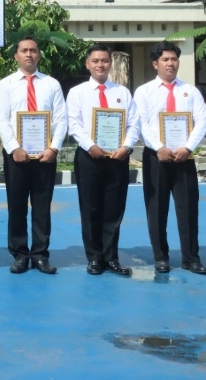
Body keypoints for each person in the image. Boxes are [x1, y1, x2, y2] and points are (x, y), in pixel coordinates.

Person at [133, 41, 206, 275]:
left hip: (183, 158)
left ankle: (190, 257)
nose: (170, 63)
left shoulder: (191, 91)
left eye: (174, 59)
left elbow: (202, 121)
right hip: (156, 157)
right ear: (155, 64)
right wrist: (159, 147)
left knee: (188, 209)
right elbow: (141, 123)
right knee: (157, 209)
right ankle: (161, 257)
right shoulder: (144, 91)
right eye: (165, 59)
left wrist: (188, 147)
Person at [0, 36, 68, 275]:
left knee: (42, 206)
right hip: (16, 155)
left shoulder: (52, 84)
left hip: (45, 155)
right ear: (16, 56)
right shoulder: (6, 84)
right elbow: (2, 120)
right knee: (16, 206)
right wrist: (14, 147)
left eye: (33, 50)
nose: (29, 54)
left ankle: (39, 255)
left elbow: (60, 119)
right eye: (24, 50)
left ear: (39, 55)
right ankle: (19, 254)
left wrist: (54, 148)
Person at [65, 44, 139, 277]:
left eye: (105, 61)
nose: (100, 65)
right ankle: (95, 258)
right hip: (89, 157)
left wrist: (126, 147)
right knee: (90, 208)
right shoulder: (77, 93)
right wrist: (91, 146)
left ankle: (111, 258)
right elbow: (73, 124)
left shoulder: (122, 92)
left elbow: (134, 124)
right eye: (95, 61)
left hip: (118, 157)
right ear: (87, 64)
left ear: (110, 63)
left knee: (114, 209)